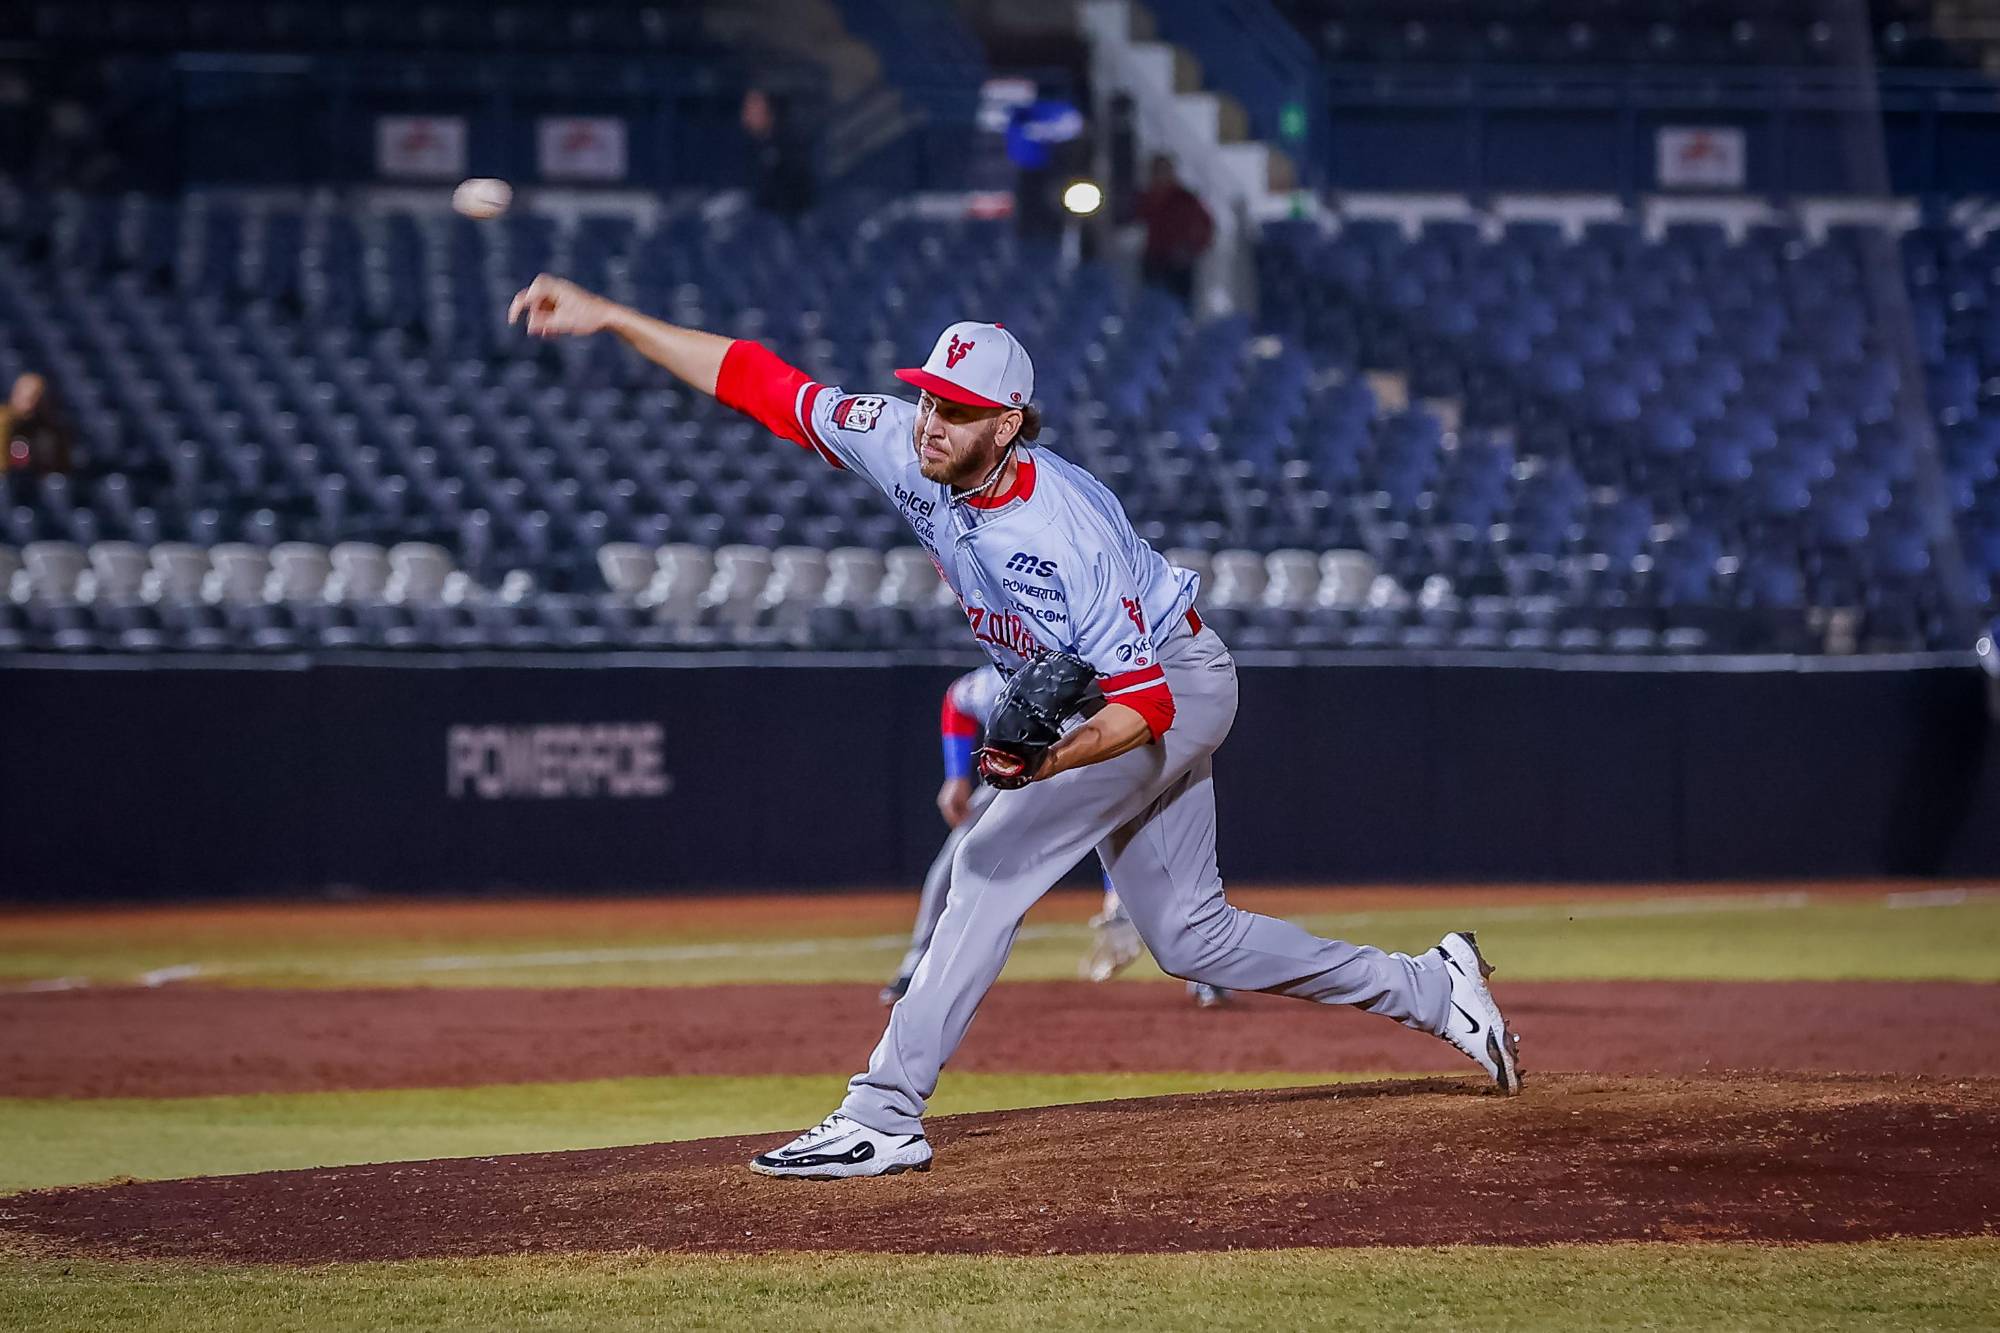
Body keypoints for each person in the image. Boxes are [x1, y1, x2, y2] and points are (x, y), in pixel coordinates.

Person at [507, 274, 1522, 1181]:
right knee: (1191, 937)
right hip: (1113, 695)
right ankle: (1431, 988)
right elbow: (761, 383)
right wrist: (612, 318)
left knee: (987, 863)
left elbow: (1149, 707)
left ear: (1008, 425)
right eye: (924, 397)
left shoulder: (1059, 530)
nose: (927, 421)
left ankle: (883, 1112)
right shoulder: (912, 449)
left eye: (956, 409)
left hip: (1167, 684)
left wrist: (1043, 764)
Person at [885, 665, 1227, 1009]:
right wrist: (956, 776)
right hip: (1030, 778)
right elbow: (957, 701)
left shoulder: (1108, 674)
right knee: (962, 851)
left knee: (1170, 859)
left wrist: (1115, 894)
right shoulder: (1003, 681)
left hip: (1109, 763)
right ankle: (917, 965)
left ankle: (1207, 974)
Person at [1132, 154, 1213, 306]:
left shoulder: (1185, 199)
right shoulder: (1144, 199)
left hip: (1178, 265)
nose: (1161, 176)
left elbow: (1205, 226)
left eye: (1165, 170)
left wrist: (1191, 250)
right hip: (1154, 261)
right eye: (1157, 171)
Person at [0, 373, 74, 478]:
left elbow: (56, 465)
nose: (26, 403)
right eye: (20, 395)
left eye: (32, 397)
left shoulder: (51, 431)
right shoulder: (3, 421)